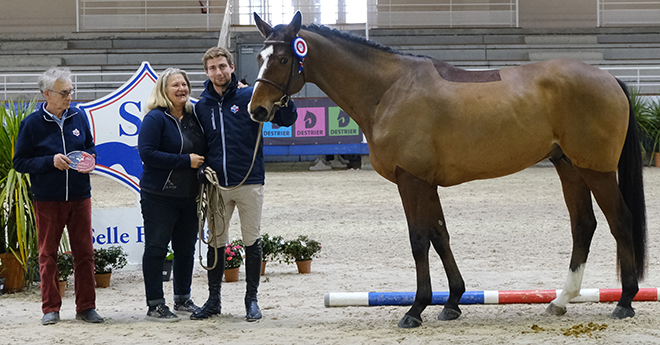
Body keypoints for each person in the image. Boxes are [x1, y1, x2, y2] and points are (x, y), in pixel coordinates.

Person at [191, 47, 297, 321]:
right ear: (206, 72)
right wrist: (202, 167)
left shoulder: (250, 96)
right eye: (213, 68)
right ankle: (214, 300)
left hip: (250, 181)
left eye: (222, 66)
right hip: (217, 186)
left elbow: (287, 120)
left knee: (252, 241)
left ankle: (251, 300)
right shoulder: (202, 106)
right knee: (216, 242)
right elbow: (199, 144)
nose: (218, 72)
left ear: (232, 66)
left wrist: (285, 98)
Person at [13, 67, 103, 325]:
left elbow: (90, 146)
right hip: (47, 198)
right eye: (64, 92)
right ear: (47, 94)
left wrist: (90, 158)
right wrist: (49, 161)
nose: (69, 97)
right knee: (47, 253)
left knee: (85, 252)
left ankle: (86, 306)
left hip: (79, 195)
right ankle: (50, 308)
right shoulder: (31, 124)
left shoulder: (78, 117)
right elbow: (20, 163)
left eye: (71, 91)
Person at [137, 67, 206, 322]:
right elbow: (147, 154)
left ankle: (182, 298)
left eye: (184, 84)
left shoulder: (192, 117)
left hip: (189, 195)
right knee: (156, 248)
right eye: (175, 85)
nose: (182, 89)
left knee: (186, 249)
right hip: (159, 195)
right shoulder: (155, 119)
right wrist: (184, 161)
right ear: (164, 91)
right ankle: (155, 304)